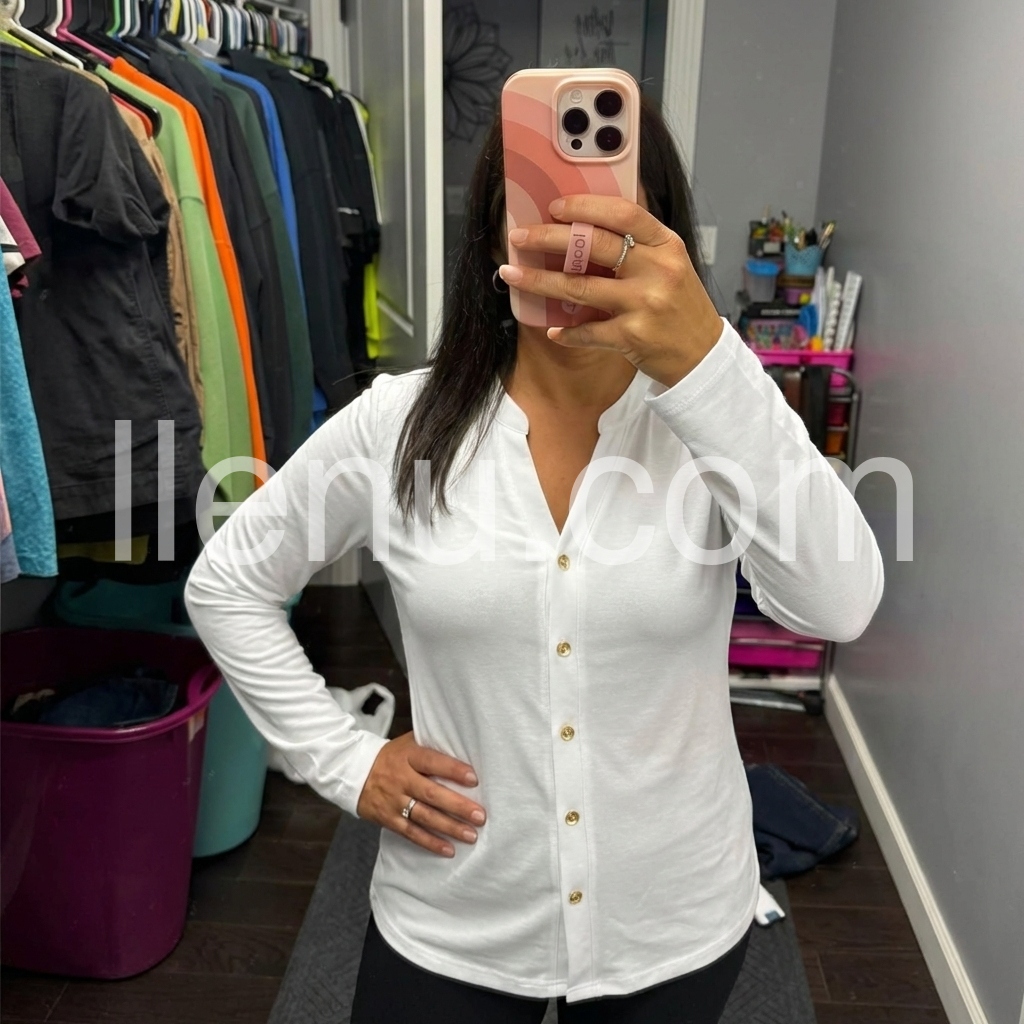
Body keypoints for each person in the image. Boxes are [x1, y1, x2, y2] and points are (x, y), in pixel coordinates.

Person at [185, 96, 883, 1023]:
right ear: (493, 240)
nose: (576, 249)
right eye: (543, 214)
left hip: (672, 919)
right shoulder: (397, 426)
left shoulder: (718, 416)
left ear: (665, 244)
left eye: (608, 218)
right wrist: (344, 761)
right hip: (456, 916)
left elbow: (838, 605)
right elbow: (228, 583)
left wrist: (709, 362)